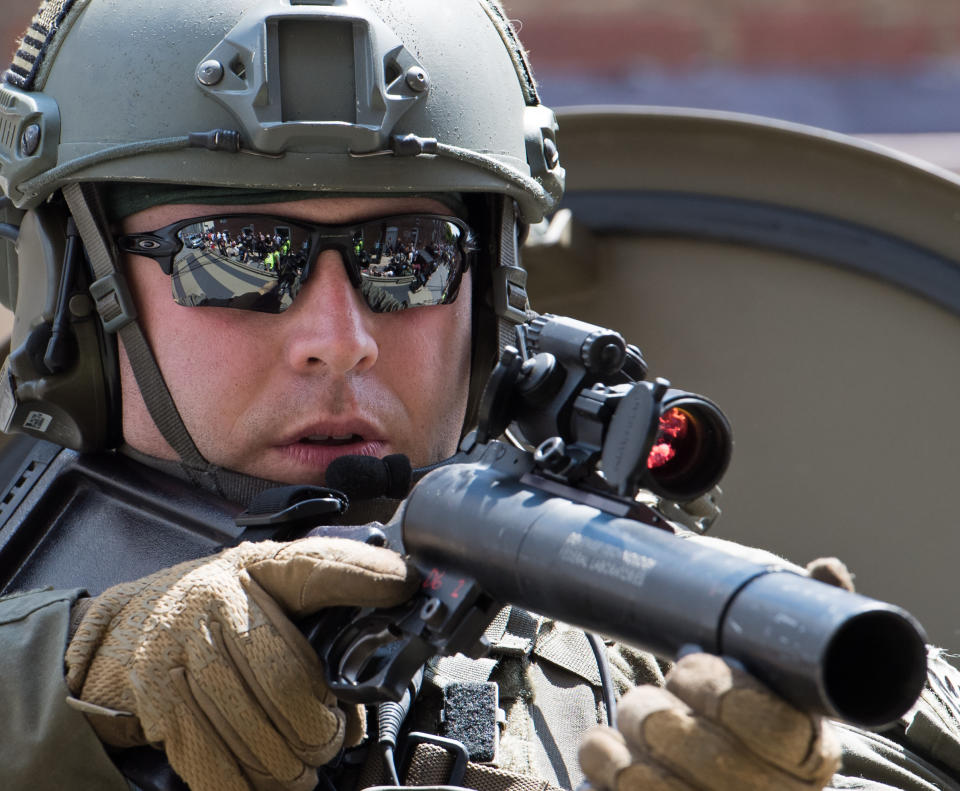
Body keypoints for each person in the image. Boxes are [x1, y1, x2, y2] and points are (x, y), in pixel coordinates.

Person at [0, 1, 959, 790]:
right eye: (241, 257)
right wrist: (71, 680)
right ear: (82, 298)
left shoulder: (661, 652)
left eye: (408, 260)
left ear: (489, 295)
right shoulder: (43, 640)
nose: (342, 342)